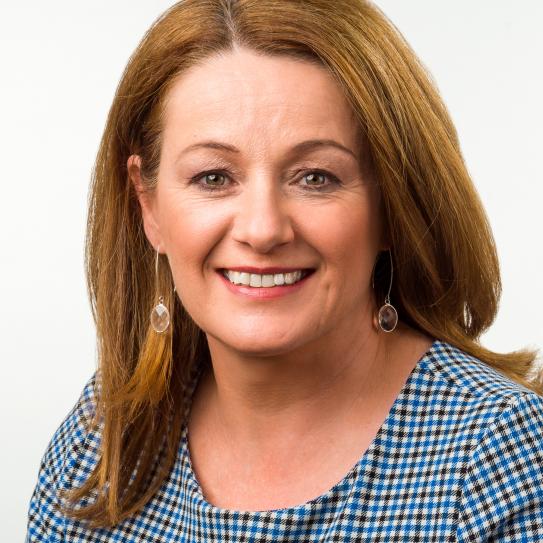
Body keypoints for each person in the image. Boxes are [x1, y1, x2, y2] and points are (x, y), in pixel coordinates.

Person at [26, 0, 543, 541]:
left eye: (315, 177)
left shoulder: (499, 459)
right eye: (213, 177)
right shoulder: (103, 440)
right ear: (148, 205)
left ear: (393, 207)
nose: (263, 229)